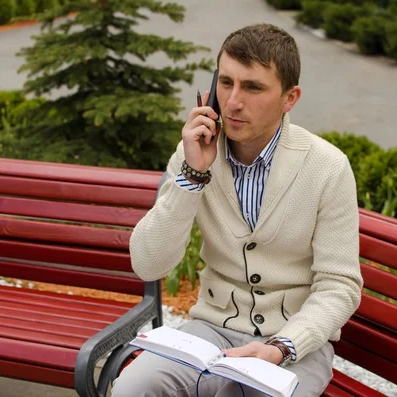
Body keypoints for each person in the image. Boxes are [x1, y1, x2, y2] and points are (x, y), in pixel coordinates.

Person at [111, 23, 363, 397]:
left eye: (253, 87)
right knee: (132, 388)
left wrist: (282, 347)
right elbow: (147, 264)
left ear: (289, 97)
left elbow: (340, 286)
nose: (232, 102)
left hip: (291, 344)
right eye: (226, 83)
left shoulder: (327, 167)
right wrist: (193, 175)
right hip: (209, 332)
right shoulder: (194, 153)